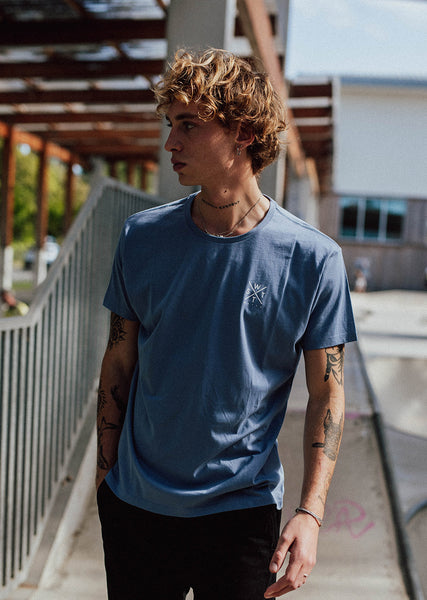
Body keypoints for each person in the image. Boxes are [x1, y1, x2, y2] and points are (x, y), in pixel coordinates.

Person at [96, 48, 357, 599]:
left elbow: (327, 393)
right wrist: (105, 479)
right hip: (137, 510)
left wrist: (310, 514)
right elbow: (118, 360)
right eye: (171, 124)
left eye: (189, 125)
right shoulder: (141, 239)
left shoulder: (313, 259)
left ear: (242, 133)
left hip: (242, 514)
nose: (171, 142)